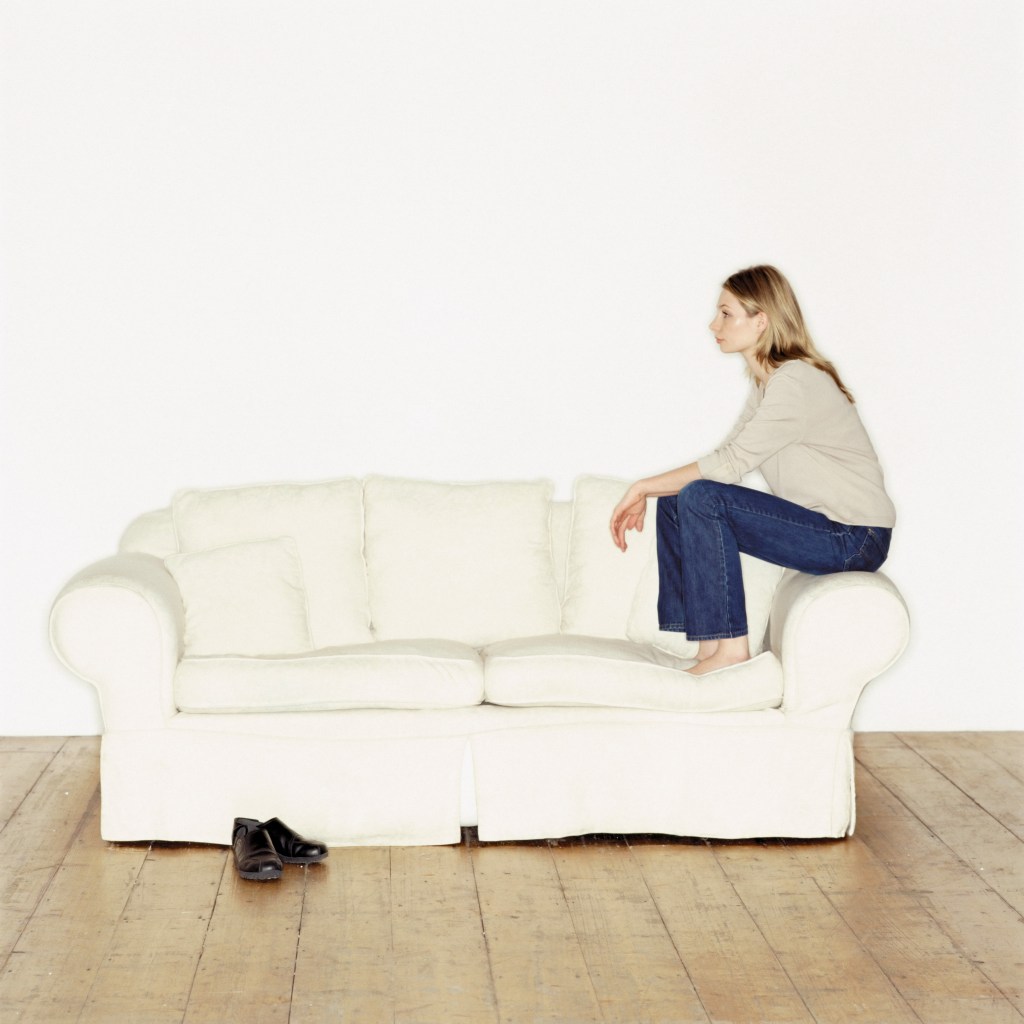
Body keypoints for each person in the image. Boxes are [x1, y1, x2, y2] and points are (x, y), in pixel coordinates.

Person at [609, 265, 895, 676]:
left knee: (702, 495)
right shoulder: (768, 383)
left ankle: (731, 652)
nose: (713, 324)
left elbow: (729, 465)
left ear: (760, 320)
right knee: (679, 497)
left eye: (726, 313)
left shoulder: (795, 381)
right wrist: (654, 491)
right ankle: (709, 649)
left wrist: (640, 487)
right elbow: (727, 455)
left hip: (854, 536)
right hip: (826, 529)